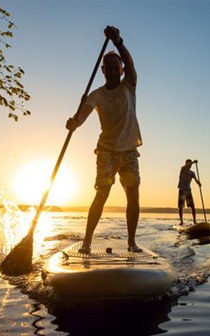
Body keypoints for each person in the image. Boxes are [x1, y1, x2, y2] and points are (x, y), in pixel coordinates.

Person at [66, 26, 143, 253]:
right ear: (102, 70)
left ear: (121, 70)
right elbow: (82, 115)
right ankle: (87, 242)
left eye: (115, 67)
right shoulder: (96, 94)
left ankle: (131, 243)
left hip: (129, 150)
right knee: (102, 193)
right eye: (107, 67)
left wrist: (118, 42)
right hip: (107, 151)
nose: (112, 70)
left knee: (133, 193)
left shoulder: (129, 85)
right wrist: (74, 123)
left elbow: (130, 63)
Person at [177, 159, 201, 225]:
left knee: (193, 206)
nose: (190, 165)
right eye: (189, 164)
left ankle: (194, 221)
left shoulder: (192, 173)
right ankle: (181, 221)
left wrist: (199, 183)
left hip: (188, 190)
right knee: (181, 206)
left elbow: (196, 181)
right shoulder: (183, 169)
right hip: (182, 189)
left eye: (190, 165)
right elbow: (185, 166)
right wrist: (193, 162)